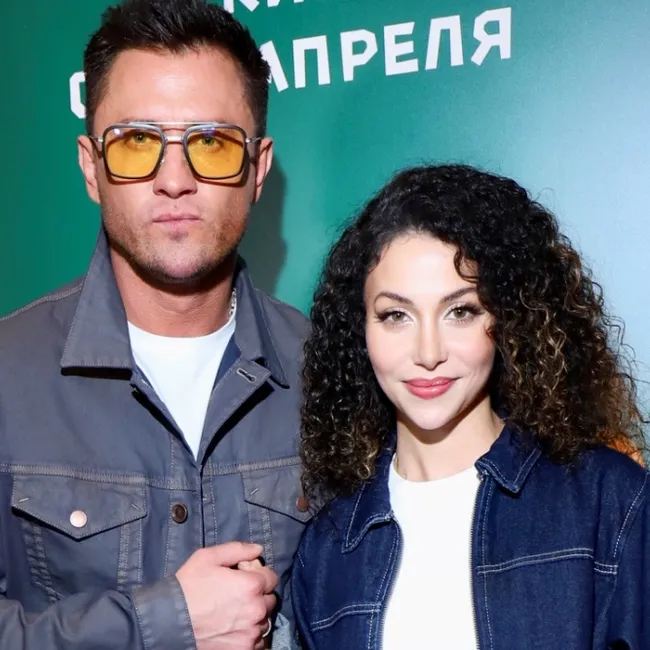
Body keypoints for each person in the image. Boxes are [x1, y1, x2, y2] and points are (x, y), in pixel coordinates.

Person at [0, 1, 310, 648]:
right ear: (91, 167)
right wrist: (160, 624)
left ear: (257, 170)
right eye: (137, 142)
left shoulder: (328, 371)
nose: (174, 180)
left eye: (212, 144)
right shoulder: (8, 374)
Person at [292, 164, 649, 649]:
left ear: (509, 318)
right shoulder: (329, 548)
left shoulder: (610, 501)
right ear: (361, 332)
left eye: (460, 311)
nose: (428, 352)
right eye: (395, 315)